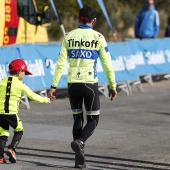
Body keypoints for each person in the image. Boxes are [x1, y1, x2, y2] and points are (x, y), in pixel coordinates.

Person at [48, 5, 117, 168]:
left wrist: (53, 86)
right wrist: (112, 85)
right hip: (89, 83)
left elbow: (60, 64)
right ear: (94, 21)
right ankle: (80, 141)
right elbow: (108, 64)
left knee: (77, 118)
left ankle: (79, 160)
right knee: (93, 120)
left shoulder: (68, 36)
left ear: (79, 19)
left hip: (72, 84)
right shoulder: (99, 37)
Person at [0, 59, 51, 164]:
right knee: (19, 130)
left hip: (0, 112)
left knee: (3, 133)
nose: (25, 75)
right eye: (24, 73)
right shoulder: (20, 84)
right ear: (19, 72)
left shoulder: (2, 81)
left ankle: (0, 157)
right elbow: (32, 95)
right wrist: (46, 100)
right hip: (12, 112)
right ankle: (11, 148)